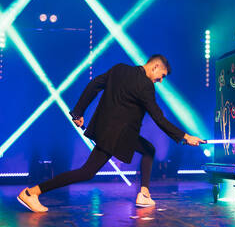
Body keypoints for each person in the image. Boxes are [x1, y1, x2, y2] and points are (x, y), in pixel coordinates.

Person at [17, 54, 205, 212]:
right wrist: (185, 137)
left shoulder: (120, 69)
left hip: (109, 131)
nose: (160, 80)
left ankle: (144, 193)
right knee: (87, 172)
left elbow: (93, 85)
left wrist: (78, 112)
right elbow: (158, 117)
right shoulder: (146, 86)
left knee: (149, 149)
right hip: (117, 136)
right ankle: (31, 193)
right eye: (161, 75)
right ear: (155, 66)